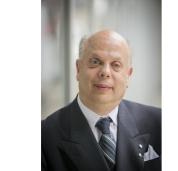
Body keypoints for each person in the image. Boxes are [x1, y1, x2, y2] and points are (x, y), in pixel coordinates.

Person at [41, 30, 161, 171]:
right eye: (95, 62)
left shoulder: (160, 123)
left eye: (116, 65)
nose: (105, 72)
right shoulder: (44, 136)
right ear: (78, 69)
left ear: (128, 75)